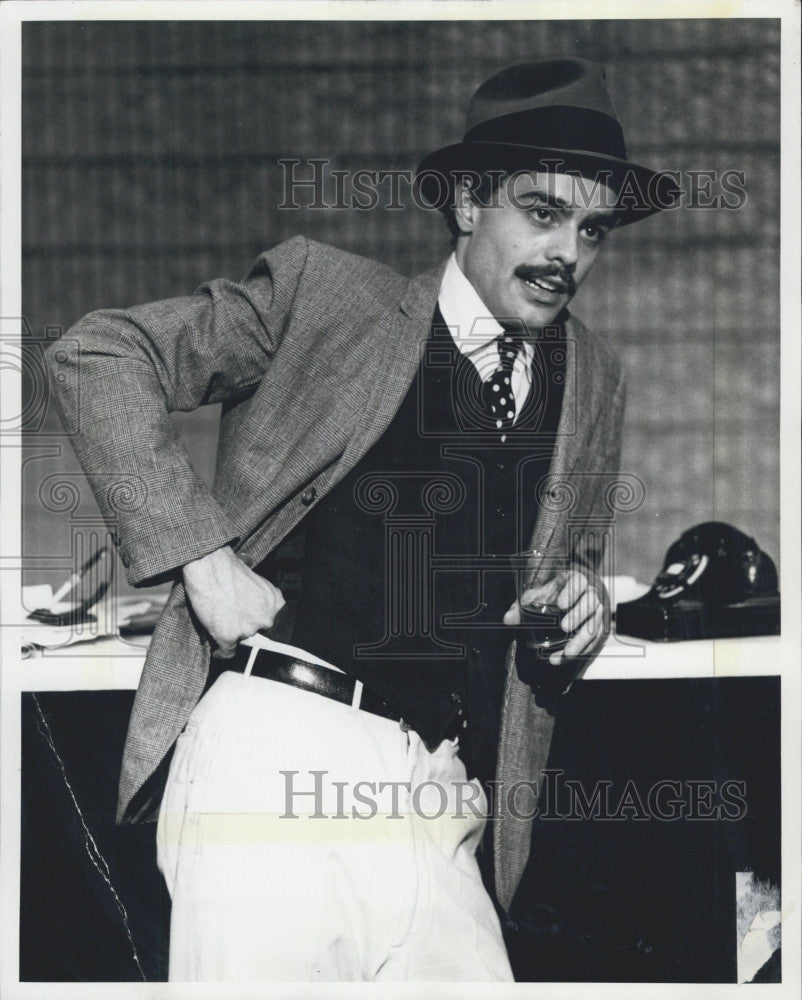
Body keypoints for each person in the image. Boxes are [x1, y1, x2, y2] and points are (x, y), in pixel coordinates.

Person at [47, 58, 677, 981]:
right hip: (278, 757)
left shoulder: (594, 375)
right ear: (467, 201)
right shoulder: (326, 299)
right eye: (542, 214)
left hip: (443, 792)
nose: (568, 257)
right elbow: (97, 356)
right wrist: (201, 555)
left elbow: (565, 559)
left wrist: (580, 604)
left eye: (593, 230)